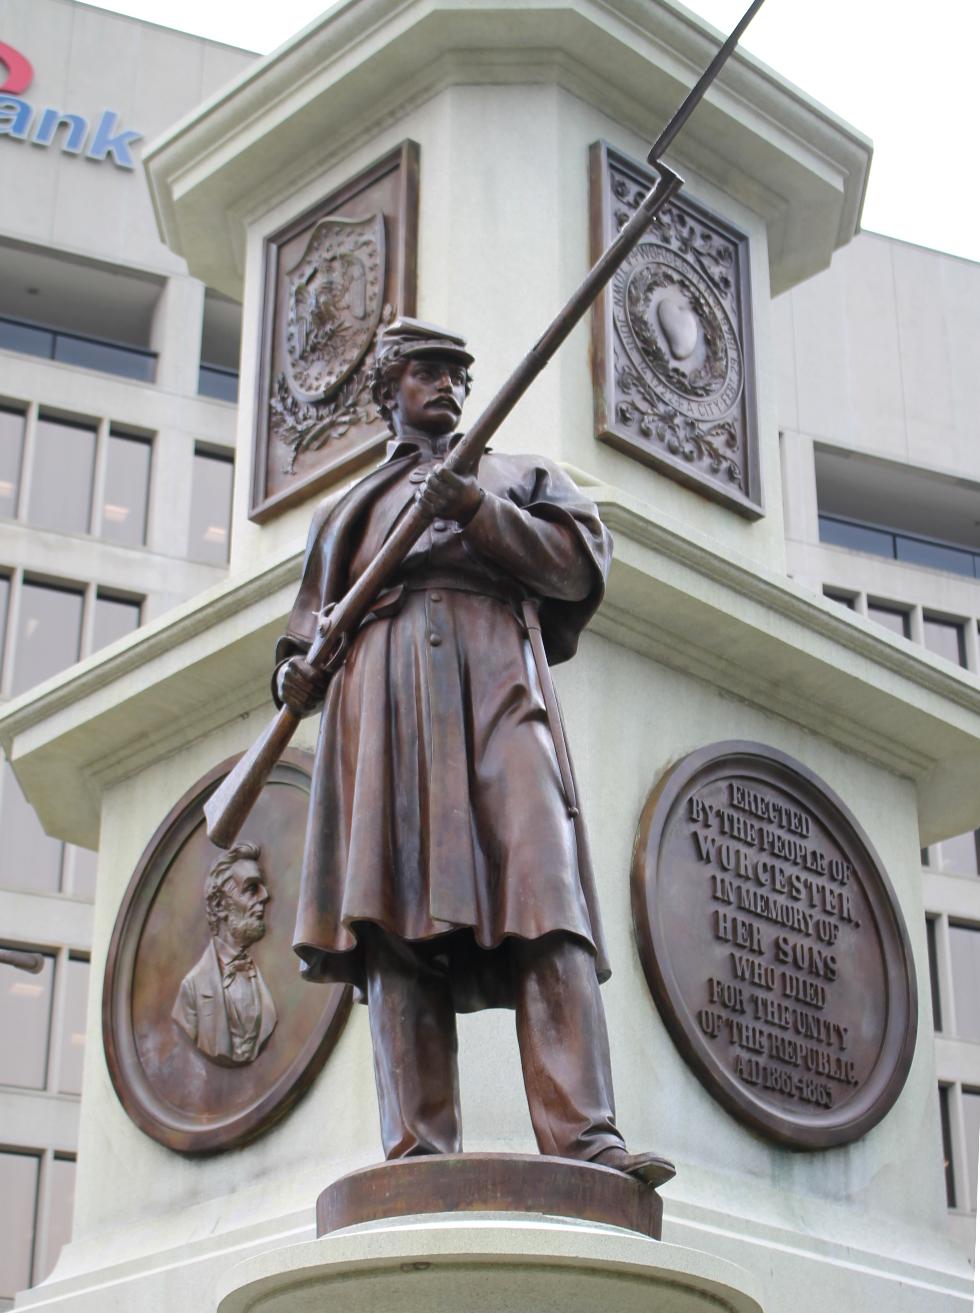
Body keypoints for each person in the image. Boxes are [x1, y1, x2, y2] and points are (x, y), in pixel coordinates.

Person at [274, 317, 672, 1183]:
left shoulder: (519, 476)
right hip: (386, 704)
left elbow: (575, 565)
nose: (448, 384)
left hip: (499, 684)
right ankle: (418, 1150)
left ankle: (587, 1138)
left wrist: (476, 511)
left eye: (458, 370)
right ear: (391, 391)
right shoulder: (347, 511)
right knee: (394, 916)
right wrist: (294, 680)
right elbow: (302, 640)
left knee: (547, 886)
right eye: (426, 371)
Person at [172, 842, 278, 1066]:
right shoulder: (191, 990)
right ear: (220, 905)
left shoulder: (271, 978)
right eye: (251, 888)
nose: (265, 896)